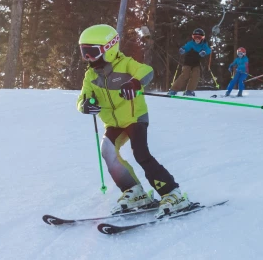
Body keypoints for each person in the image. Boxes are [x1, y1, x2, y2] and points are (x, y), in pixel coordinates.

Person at [77, 24, 190, 218]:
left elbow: (147, 71)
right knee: (107, 151)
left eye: (92, 52)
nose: (88, 58)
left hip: (134, 118)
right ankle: (135, 191)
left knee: (141, 154)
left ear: (109, 49)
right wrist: (86, 105)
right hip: (113, 123)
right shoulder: (90, 75)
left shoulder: (126, 64)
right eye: (84, 52)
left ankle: (173, 193)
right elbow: (81, 100)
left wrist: (134, 83)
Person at [168, 28, 212, 96]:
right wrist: (183, 49)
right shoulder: (191, 43)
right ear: (193, 37)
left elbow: (208, 50)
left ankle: (189, 90)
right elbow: (186, 47)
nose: (197, 39)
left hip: (196, 63)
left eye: (199, 37)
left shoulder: (204, 44)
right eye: (195, 37)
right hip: (187, 63)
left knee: (196, 76)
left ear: (202, 38)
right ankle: (173, 90)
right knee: (185, 75)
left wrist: (204, 52)